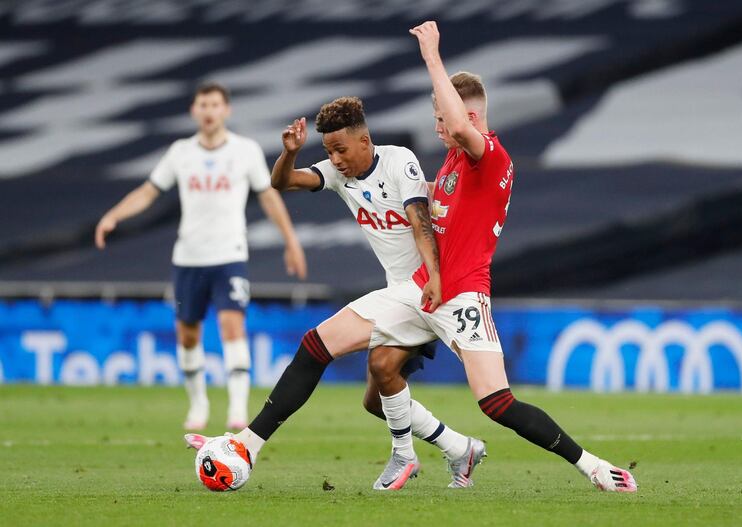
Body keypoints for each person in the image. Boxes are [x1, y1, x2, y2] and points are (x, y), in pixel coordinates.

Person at [365, 21, 638, 493]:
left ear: (468, 119)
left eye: (441, 119)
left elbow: (456, 127)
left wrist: (432, 57)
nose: (437, 128)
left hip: (465, 294)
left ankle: (592, 465)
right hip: (424, 291)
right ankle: (452, 448)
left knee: (496, 402)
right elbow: (439, 200)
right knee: (372, 375)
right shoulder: (453, 163)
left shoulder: (488, 156)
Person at [186, 96, 486, 489]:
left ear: (365, 141)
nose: (336, 159)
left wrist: (433, 276)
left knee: (318, 345)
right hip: (399, 293)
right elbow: (283, 182)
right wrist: (289, 154)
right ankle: (460, 448)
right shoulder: (338, 172)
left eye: (341, 149)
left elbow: (420, 224)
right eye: (328, 151)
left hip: (429, 292)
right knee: (376, 397)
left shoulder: (399, 161)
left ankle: (250, 443)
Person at [95, 82, 307, 431]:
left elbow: (269, 197)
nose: (208, 111)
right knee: (188, 334)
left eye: (214, 104)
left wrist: (291, 241)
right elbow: (150, 191)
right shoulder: (181, 152)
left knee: (231, 325)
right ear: (194, 111)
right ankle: (198, 405)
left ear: (226, 110)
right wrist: (114, 215)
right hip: (189, 257)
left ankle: (238, 410)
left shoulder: (245, 151)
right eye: (202, 105)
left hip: (230, 254)